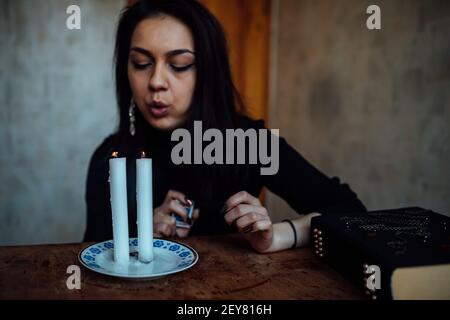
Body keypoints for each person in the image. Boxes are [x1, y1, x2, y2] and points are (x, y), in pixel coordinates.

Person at [84, 0, 366, 253]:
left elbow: (351, 213)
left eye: (179, 65)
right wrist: (139, 237)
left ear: (207, 72)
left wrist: (278, 236)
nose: (156, 81)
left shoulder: (245, 142)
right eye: (141, 63)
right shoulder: (111, 158)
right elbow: (91, 263)